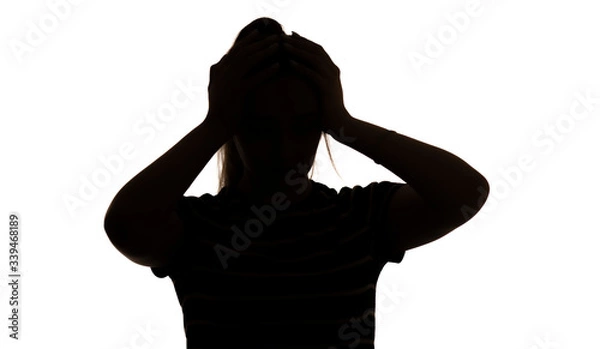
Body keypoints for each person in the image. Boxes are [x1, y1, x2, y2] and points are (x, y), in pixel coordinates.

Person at [103, 17, 490, 349]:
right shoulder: (196, 227)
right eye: (261, 126)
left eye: (303, 125)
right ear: (237, 128)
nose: (284, 147)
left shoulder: (357, 217)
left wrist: (345, 124)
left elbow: (465, 192)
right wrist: (216, 123)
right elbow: (124, 224)